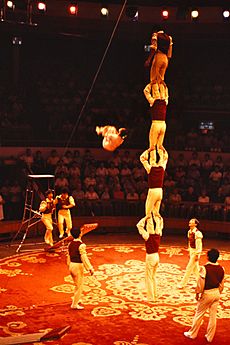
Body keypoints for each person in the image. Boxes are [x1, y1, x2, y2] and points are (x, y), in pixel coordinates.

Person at [184, 248, 225, 343]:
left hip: (207, 293)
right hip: (216, 293)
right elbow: (222, 284)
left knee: (199, 314)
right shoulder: (222, 268)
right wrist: (218, 292)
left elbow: (201, 283)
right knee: (213, 316)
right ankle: (210, 337)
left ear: (208, 257)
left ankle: (192, 334)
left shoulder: (204, 268)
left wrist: (198, 293)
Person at [140, 145, 168, 235]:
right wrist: (162, 149)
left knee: (148, 211)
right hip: (160, 191)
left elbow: (142, 158)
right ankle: (158, 229)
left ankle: (151, 230)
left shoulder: (150, 168)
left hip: (152, 191)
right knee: (156, 212)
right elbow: (166, 157)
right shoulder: (162, 168)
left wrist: (149, 150)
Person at [67, 227, 94, 310]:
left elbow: (68, 256)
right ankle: (74, 305)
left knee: (76, 284)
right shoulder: (81, 245)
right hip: (78, 266)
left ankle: (76, 299)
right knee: (79, 286)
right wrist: (90, 268)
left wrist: (69, 265)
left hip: (72, 265)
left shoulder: (70, 244)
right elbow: (84, 257)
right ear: (80, 234)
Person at [136, 214, 161, 303]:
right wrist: (159, 218)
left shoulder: (147, 236)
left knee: (149, 277)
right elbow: (160, 225)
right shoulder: (158, 234)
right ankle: (155, 294)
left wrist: (145, 218)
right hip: (157, 256)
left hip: (150, 257)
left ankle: (151, 298)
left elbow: (139, 225)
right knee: (153, 277)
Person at [178, 218, 203, 288]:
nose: (190, 222)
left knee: (189, 268)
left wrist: (197, 255)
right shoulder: (189, 231)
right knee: (196, 270)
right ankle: (200, 284)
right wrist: (189, 251)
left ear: (195, 224)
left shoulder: (198, 233)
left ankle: (182, 284)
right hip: (192, 251)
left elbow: (199, 245)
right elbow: (189, 242)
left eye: (192, 221)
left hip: (196, 252)